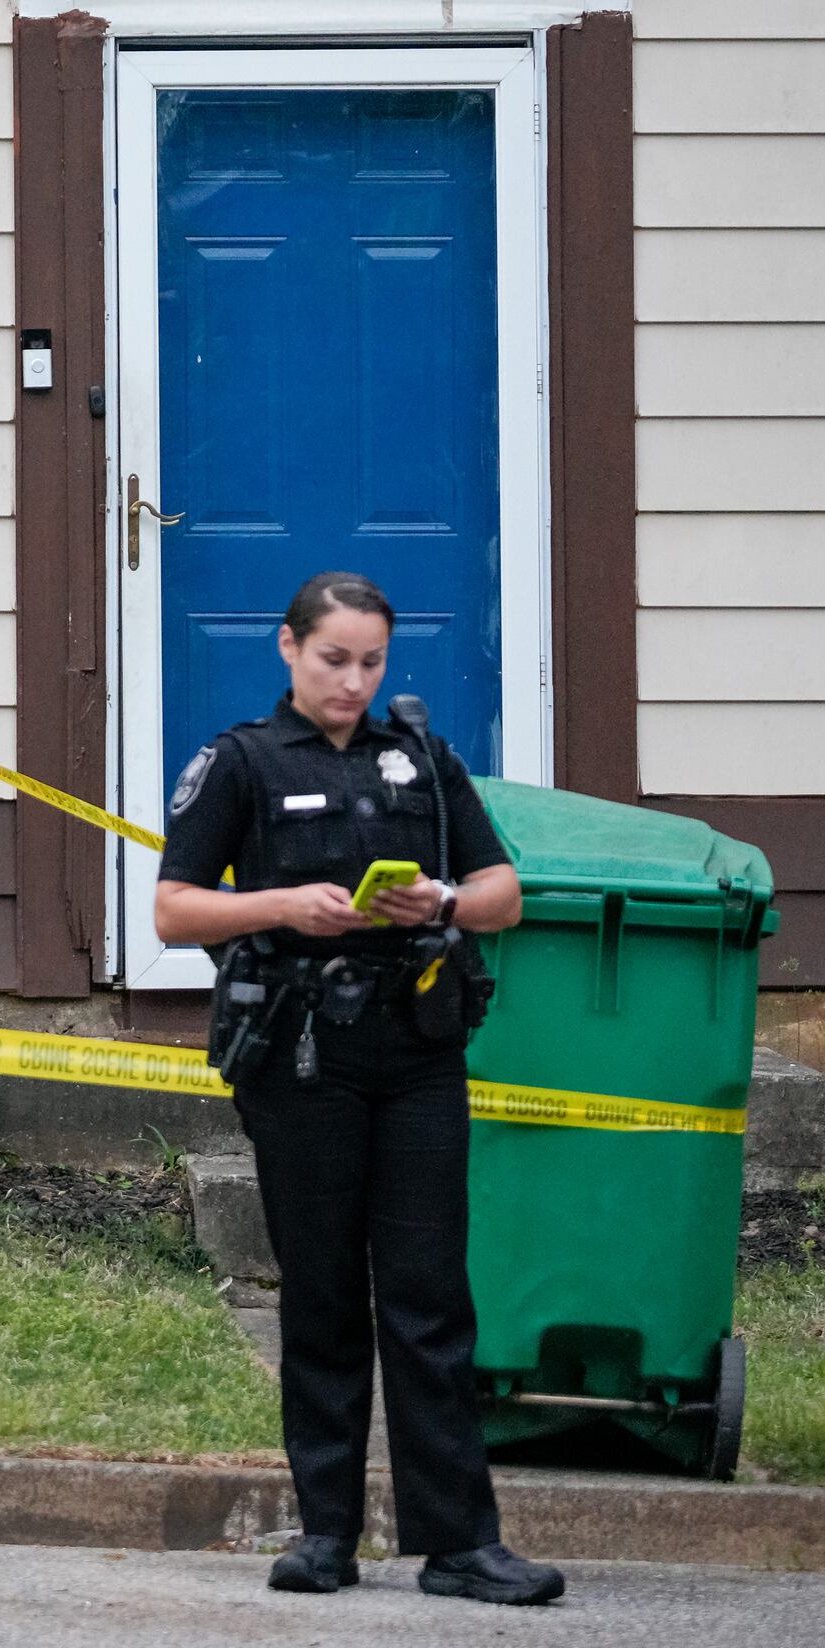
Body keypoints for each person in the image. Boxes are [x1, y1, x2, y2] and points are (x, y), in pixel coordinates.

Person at [154, 571, 562, 1607]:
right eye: (334, 657)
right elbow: (171, 910)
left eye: (371, 660)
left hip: (417, 1050)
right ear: (288, 648)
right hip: (302, 1057)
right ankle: (325, 1533)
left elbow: (506, 892)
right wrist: (282, 904)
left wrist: (449, 900)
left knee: (430, 1298)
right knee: (326, 1296)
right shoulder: (242, 761)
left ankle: (460, 1543)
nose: (354, 679)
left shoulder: (419, 754)